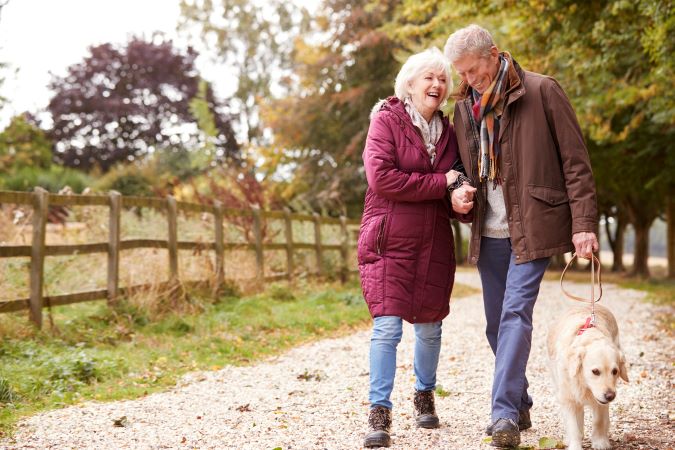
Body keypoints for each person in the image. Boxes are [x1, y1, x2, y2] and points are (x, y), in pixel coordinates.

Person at [443, 24, 599, 448]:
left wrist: (583, 224)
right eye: (463, 74)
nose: (470, 81)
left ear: (494, 54)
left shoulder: (543, 91)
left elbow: (576, 163)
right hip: (488, 229)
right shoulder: (464, 108)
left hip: (533, 224)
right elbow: (456, 162)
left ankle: (503, 415)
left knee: (515, 315)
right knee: (496, 325)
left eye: (474, 70)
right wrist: (457, 187)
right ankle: (520, 397)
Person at [357, 47, 473, 448]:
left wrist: (460, 199)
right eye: (429, 77)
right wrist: (442, 183)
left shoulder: (450, 133)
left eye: (442, 79)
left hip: (433, 241)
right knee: (387, 328)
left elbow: (456, 182)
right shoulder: (385, 122)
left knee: (429, 327)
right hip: (389, 239)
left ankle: (424, 396)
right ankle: (379, 411)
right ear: (409, 82)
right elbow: (383, 179)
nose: (437, 85)